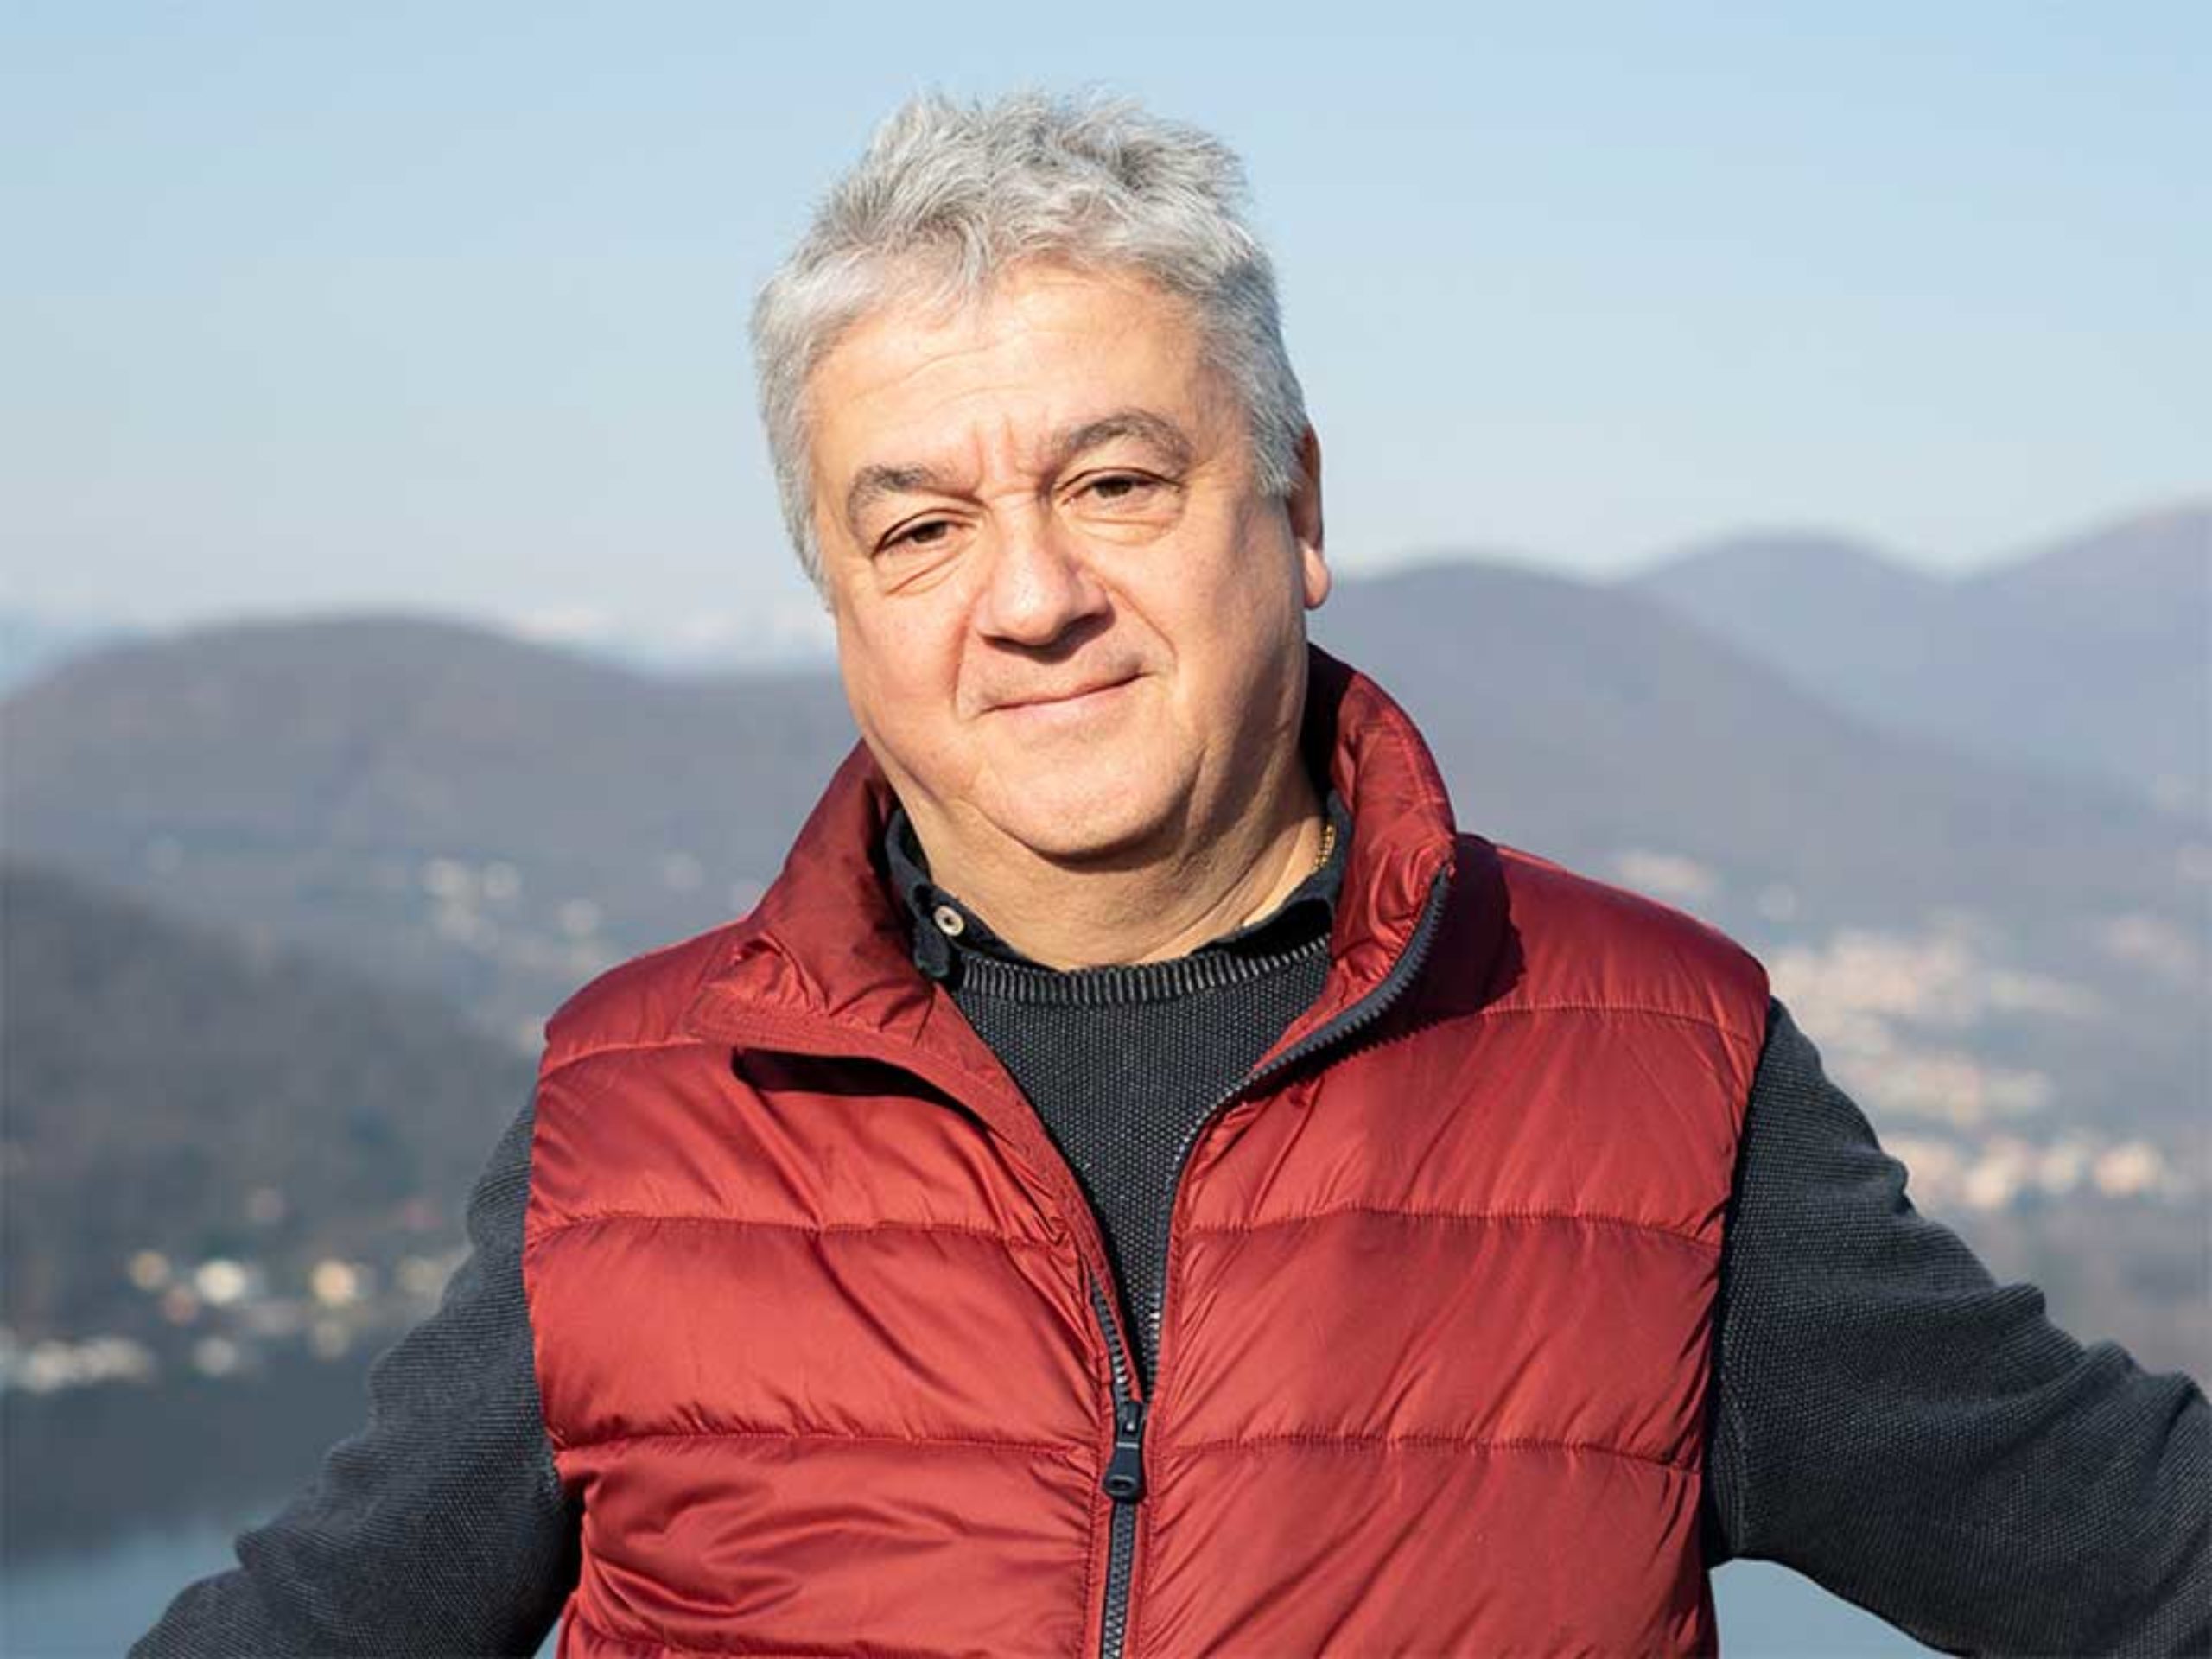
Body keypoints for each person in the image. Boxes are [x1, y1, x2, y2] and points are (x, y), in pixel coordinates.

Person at [136, 90, 2207, 1657]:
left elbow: (2128, 1549)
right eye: (917, 529)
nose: (1030, 595)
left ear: (1294, 511)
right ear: (837, 602)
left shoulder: (1650, 1070)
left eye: (1115, 482)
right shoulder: (642, 1114)